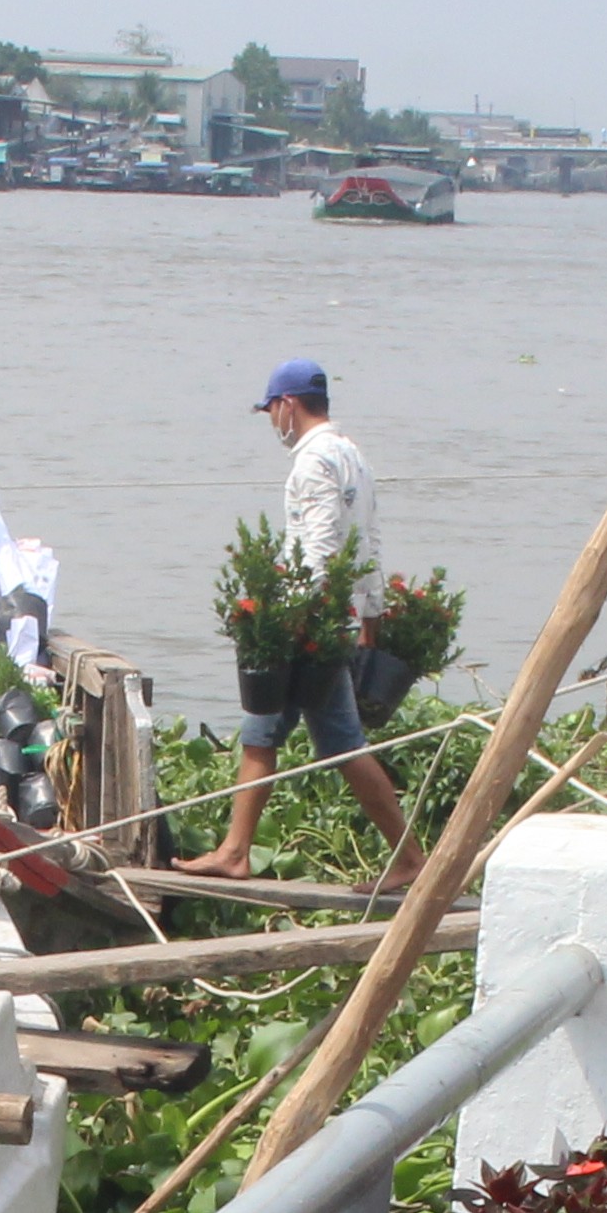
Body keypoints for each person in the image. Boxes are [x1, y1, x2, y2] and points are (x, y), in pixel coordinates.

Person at [205, 358, 416, 880]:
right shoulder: (352, 456)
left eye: (271, 410)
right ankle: (235, 850)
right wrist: (370, 613)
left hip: (309, 624)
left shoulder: (313, 463)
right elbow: (367, 540)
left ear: (288, 405)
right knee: (287, 736)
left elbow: (318, 548)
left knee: (309, 739)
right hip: (332, 620)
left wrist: (293, 620)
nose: (272, 420)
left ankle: (410, 858)